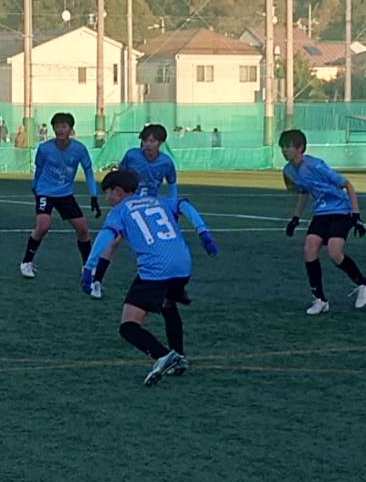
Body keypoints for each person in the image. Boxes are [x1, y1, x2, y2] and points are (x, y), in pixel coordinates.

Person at [81, 168, 219, 386]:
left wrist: (89, 267)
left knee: (128, 326)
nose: (107, 198)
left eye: (107, 193)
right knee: (168, 305)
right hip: (183, 265)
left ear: (118, 191)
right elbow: (184, 204)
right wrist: (203, 233)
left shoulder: (119, 211)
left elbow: (107, 236)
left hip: (156, 270)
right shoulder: (158, 200)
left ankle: (163, 356)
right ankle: (179, 356)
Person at [280, 129, 366, 315]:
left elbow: (347, 185)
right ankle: (320, 300)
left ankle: (363, 283)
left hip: (341, 210)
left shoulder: (316, 165)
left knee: (334, 252)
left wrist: (356, 216)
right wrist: (295, 218)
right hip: (321, 212)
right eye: (282, 147)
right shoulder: (289, 170)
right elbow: (304, 193)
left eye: (288, 146)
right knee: (310, 248)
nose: (284, 150)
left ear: (300, 148)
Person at [89, 124, 180, 299]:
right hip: (129, 207)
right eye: (145, 140)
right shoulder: (132, 155)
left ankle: (165, 284)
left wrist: (174, 204)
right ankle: (96, 281)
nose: (148, 144)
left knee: (158, 245)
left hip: (148, 210)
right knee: (113, 241)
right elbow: (119, 177)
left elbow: (172, 183)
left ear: (160, 142)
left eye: (152, 141)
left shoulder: (166, 162)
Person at [20, 112, 100, 279]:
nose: (60, 130)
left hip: (65, 194)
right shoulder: (44, 148)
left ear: (71, 129)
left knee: (83, 230)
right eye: (57, 126)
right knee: (43, 225)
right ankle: (26, 262)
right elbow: (39, 168)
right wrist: (35, 186)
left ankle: (87, 266)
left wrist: (94, 195)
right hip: (45, 191)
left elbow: (88, 171)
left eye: (64, 126)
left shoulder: (79, 149)